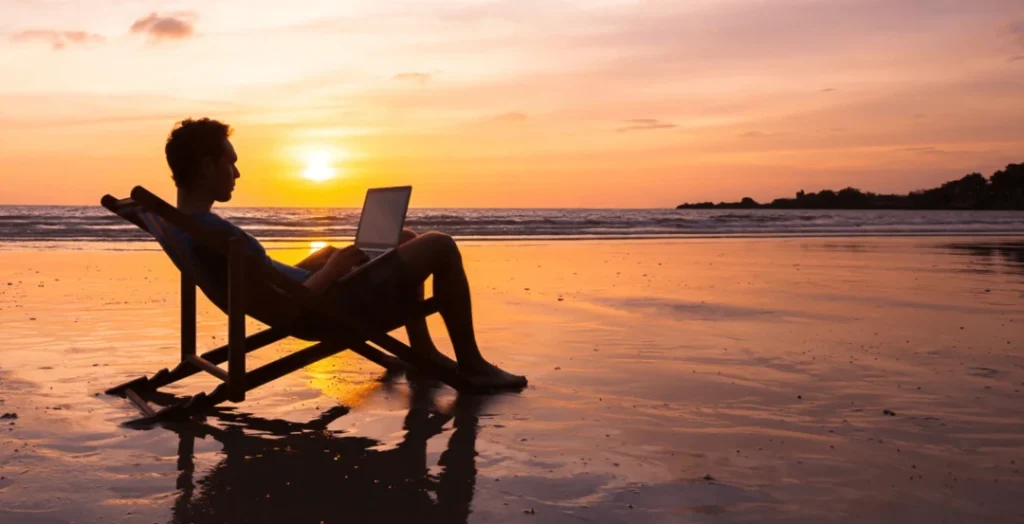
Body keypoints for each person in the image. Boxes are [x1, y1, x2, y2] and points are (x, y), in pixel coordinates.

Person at [164, 117, 526, 389]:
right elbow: (291, 305)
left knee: (406, 236)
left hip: (312, 293)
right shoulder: (214, 232)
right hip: (323, 309)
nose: (237, 173)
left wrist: (323, 258)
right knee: (439, 245)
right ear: (206, 166)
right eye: (230, 163)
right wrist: (334, 268)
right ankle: (473, 366)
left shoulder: (185, 226)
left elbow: (267, 283)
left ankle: (423, 352)